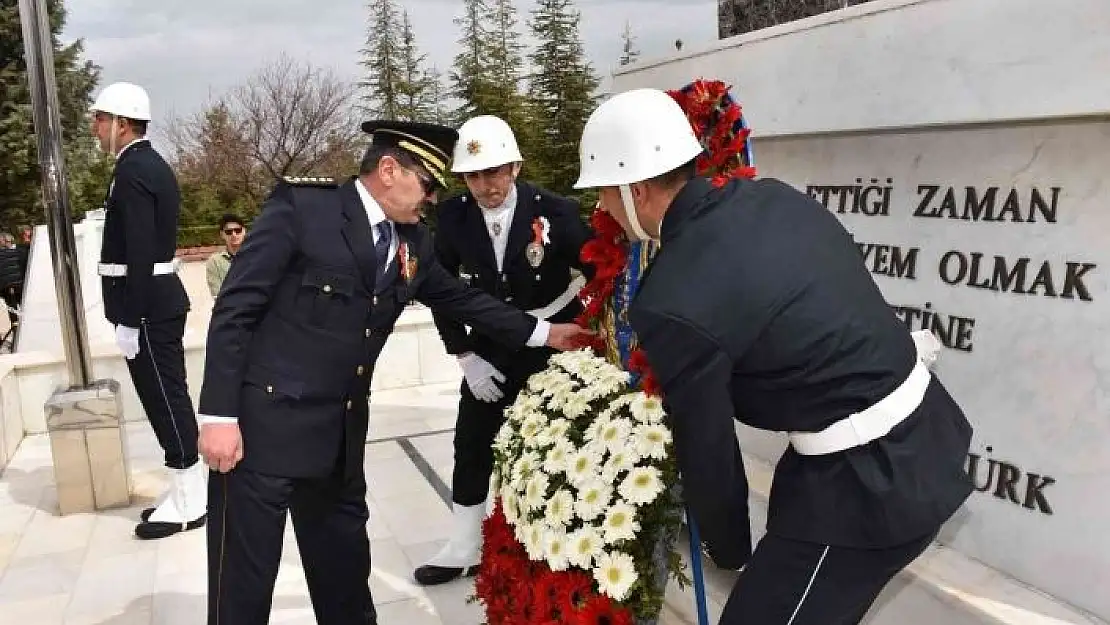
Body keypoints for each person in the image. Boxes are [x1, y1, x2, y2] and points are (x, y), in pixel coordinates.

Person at [573, 88, 974, 624]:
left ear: (637, 188)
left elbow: (709, 448)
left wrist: (732, 550)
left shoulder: (670, 298)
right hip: (930, 433)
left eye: (603, 192)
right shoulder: (775, 198)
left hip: (866, 487)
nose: (601, 207)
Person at [196, 120, 591, 625]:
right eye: (427, 184)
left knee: (345, 580)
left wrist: (546, 334)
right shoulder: (304, 212)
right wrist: (218, 414)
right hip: (262, 433)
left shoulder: (414, 244)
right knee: (242, 588)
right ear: (388, 170)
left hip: (337, 440)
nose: (430, 199)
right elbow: (236, 309)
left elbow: (464, 300)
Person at [413, 115, 593, 586]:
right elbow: (441, 290)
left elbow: (598, 269)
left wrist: (592, 329)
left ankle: (559, 543)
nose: (485, 184)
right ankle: (463, 546)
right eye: (473, 175)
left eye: (493, 172)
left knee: (556, 445)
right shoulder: (452, 217)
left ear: (515, 166)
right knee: (471, 444)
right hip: (489, 348)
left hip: (553, 343)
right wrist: (464, 357)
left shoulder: (555, 211)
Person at [90, 81, 205, 540]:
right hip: (152, 304)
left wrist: (130, 318)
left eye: (101, 120)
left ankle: (190, 497)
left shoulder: (135, 170)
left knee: (165, 398)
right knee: (165, 396)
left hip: (148, 308)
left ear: (121, 123)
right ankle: (186, 486)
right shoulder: (140, 165)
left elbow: (139, 249)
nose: (96, 129)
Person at [205, 213, 246, 297]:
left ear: (244, 231)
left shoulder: (256, 256)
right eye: (229, 232)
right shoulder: (214, 262)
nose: (234, 234)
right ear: (222, 234)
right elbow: (217, 294)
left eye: (238, 230)